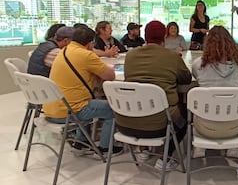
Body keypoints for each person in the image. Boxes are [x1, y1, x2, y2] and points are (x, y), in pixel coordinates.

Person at [116, 20, 192, 171]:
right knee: (184, 113)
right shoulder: (172, 57)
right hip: (160, 123)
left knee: (141, 102)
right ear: (163, 36)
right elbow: (186, 79)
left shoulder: (130, 56)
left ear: (145, 36)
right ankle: (166, 157)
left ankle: (143, 150)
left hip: (127, 121)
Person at [43, 26, 123, 157]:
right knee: (113, 109)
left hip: (51, 109)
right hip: (68, 112)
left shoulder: (63, 51)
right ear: (90, 43)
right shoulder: (86, 55)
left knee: (82, 99)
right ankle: (105, 148)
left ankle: (81, 142)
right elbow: (110, 75)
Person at [192, 26, 238, 140]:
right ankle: (233, 148)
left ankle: (199, 148)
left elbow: (197, 77)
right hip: (235, 125)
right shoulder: (237, 64)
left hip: (205, 124)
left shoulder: (198, 64)